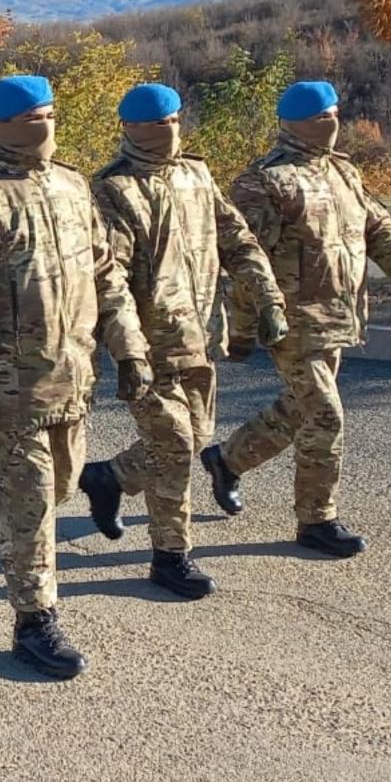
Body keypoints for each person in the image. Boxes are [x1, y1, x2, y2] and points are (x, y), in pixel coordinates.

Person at [0, 74, 149, 679]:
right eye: (32, 117)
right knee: (31, 504)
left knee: (57, 491)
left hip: (74, 374)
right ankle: (35, 623)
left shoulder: (74, 187)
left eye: (51, 113)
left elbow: (106, 277)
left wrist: (129, 351)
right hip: (12, 384)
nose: (45, 126)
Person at [199, 80, 391, 558]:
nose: (330, 123)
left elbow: (377, 228)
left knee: (299, 409)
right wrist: (243, 327)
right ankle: (316, 520)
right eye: (319, 115)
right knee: (325, 415)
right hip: (291, 321)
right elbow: (242, 259)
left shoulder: (341, 172)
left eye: (334, 113)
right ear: (295, 122)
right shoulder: (263, 182)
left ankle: (226, 460)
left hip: (339, 315)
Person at [76, 83, 288, 599]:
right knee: (173, 444)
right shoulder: (112, 190)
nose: (168, 131)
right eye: (156, 124)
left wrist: (268, 300)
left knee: (193, 438)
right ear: (130, 129)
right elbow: (110, 280)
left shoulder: (196, 175)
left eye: (174, 121)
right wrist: (127, 349)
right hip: (150, 345)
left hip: (199, 334)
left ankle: (111, 478)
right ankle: (171, 556)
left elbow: (238, 240)